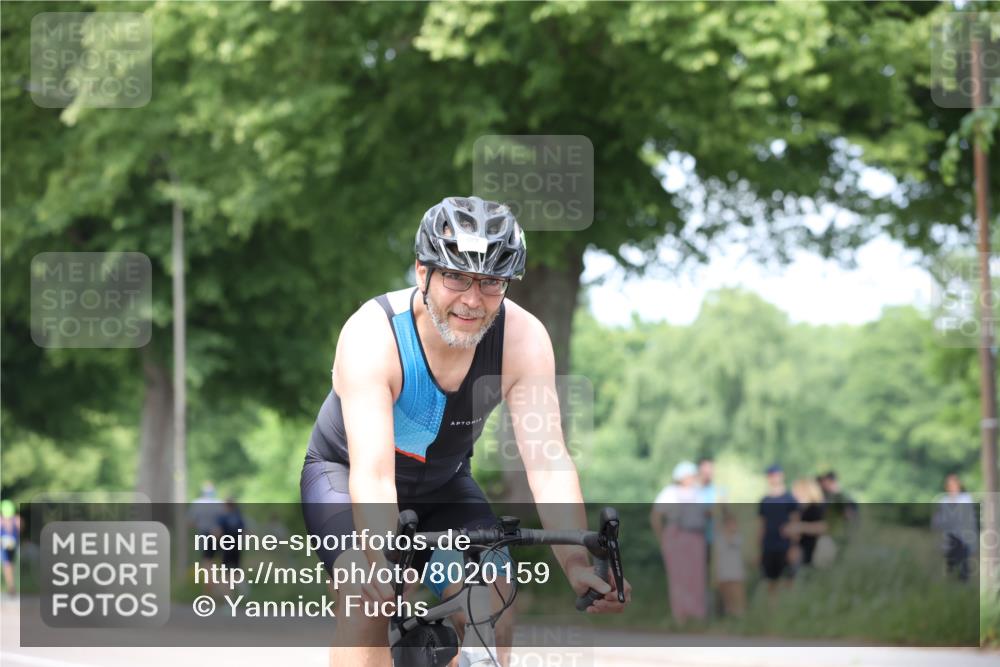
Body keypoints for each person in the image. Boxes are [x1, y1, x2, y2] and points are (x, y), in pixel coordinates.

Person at [300, 196, 631, 667]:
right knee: (365, 600)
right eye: (455, 276)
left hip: (444, 483)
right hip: (347, 475)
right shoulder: (373, 335)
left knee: (493, 603)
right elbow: (372, 476)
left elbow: (548, 461)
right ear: (422, 272)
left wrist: (578, 564)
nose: (473, 300)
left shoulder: (524, 339)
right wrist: (381, 563)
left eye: (491, 282)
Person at [650, 461, 707, 625]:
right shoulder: (669, 493)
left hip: (696, 537)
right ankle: (680, 617)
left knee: (696, 577)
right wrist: (663, 539)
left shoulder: (699, 493)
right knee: (678, 577)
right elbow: (656, 516)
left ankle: (697, 617)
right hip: (676, 537)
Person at [758, 464, 800, 601]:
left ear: (782, 476)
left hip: (785, 546)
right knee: (771, 583)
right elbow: (761, 526)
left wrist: (794, 547)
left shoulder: (790, 499)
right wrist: (758, 549)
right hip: (769, 546)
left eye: (776, 475)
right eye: (771, 475)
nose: (773, 478)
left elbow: (795, 523)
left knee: (789, 581)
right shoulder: (764, 501)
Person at [931, 473, 977, 582]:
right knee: (950, 567)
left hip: (963, 538)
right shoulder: (943, 500)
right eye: (950, 485)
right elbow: (937, 521)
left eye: (954, 484)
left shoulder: (966, 499)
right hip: (949, 539)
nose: (952, 487)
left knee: (963, 568)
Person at [188, 482, 224, 597]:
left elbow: (190, 522)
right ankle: (216, 586)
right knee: (219, 562)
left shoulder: (197, 504)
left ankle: (210, 587)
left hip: (204, 534)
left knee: (207, 562)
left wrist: (199, 524)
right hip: (218, 535)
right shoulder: (219, 504)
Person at [788, 478, 829, 568]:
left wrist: (800, 527)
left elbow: (824, 527)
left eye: (797, 491)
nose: (794, 494)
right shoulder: (800, 508)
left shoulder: (818, 506)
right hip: (803, 550)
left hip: (816, 549)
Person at [714, 509, 746, 617]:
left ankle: (740, 613)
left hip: (735, 570)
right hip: (724, 570)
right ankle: (729, 613)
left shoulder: (737, 537)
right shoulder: (720, 538)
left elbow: (732, 542)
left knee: (737, 591)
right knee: (727, 594)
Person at [1, 500, 21, 596]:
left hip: (14, 545)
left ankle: (11, 584)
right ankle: (11, 585)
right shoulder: (1, 520)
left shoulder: (16, 519)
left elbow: (20, 529)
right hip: (3, 546)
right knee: (7, 564)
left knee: (11, 565)